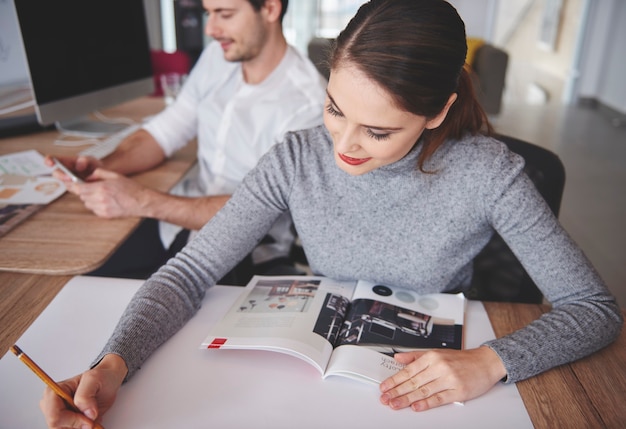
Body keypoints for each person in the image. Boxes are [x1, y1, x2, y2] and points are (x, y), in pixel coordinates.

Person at [40, 0, 623, 426]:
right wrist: (114, 363)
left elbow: (594, 309)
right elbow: (189, 274)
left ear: (438, 111)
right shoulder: (296, 156)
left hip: (429, 391)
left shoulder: (490, 173)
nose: (343, 144)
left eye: (378, 130)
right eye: (334, 109)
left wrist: (493, 361)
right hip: (312, 389)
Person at [48, 0, 326, 282]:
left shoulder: (308, 106)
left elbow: (252, 215)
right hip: (176, 222)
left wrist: (141, 200)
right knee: (75, 274)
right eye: (209, 13)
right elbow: (165, 131)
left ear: (269, 9)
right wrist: (103, 166)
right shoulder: (216, 58)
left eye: (225, 14)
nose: (211, 29)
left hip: (242, 254)